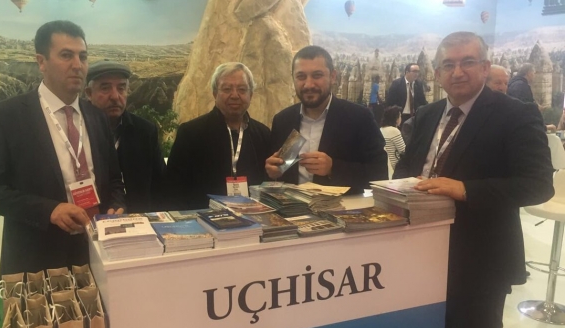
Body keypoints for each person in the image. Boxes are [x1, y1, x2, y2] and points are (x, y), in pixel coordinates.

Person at [394, 31, 553, 328]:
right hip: (423, 256)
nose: (458, 72)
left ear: (485, 66)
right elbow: (405, 170)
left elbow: (538, 184)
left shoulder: (514, 114)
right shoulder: (428, 115)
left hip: (481, 260)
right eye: (448, 65)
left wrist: (466, 189)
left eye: (468, 62)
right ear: (436, 73)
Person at [0, 20, 126, 276]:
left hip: (96, 250)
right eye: (66, 55)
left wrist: (115, 206)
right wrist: (49, 210)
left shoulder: (96, 117)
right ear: (41, 62)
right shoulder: (4, 117)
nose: (77, 65)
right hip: (36, 256)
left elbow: (114, 179)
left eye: (83, 56)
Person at [265, 45, 387, 192]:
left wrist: (333, 168)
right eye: (301, 76)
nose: (309, 84)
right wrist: (273, 171)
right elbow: (278, 171)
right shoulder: (282, 121)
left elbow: (380, 173)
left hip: (343, 206)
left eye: (317, 75)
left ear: (333, 77)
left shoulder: (359, 118)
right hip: (292, 205)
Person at [165, 62, 271, 209]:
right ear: (215, 93)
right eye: (227, 89)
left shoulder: (263, 134)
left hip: (252, 216)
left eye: (242, 89)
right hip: (203, 217)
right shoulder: (191, 133)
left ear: (251, 94)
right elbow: (173, 189)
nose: (235, 95)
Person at [85, 60, 166, 213]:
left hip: (139, 220)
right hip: (93, 219)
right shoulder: (78, 130)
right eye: (105, 88)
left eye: (121, 88)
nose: (115, 96)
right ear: (89, 93)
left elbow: (160, 186)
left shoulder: (145, 131)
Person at [380, 105, 405, 173]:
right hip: (394, 167)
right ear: (395, 118)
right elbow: (403, 151)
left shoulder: (381, 129)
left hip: (384, 165)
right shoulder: (394, 131)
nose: (401, 119)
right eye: (400, 116)